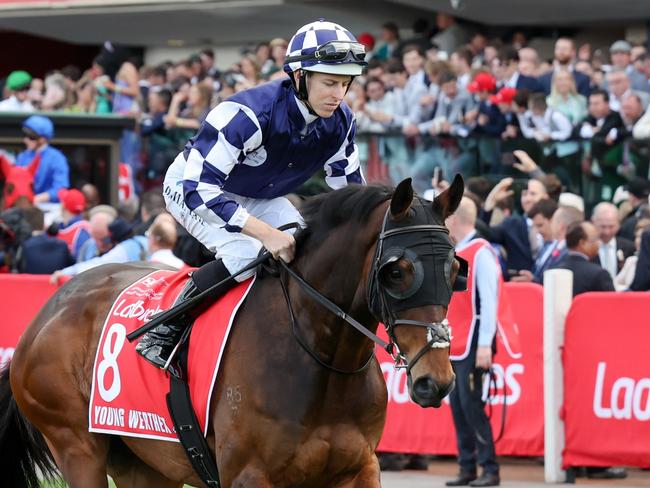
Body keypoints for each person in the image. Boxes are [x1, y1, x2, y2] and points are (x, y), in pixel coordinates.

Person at [137, 19, 367, 370]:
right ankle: (164, 329)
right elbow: (200, 190)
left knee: (301, 245)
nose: (339, 94)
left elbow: (352, 193)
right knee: (245, 252)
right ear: (299, 76)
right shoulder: (246, 114)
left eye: (346, 84)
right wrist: (264, 232)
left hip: (257, 194)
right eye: (330, 82)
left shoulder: (341, 121)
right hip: (193, 186)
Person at [445, 196, 500, 487]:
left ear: (453, 219)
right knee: (458, 405)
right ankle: (467, 466)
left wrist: (484, 346)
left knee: (472, 406)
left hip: (475, 341)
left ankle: (489, 468)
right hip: (458, 340)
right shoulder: (459, 251)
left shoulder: (481, 253)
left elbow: (490, 302)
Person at [15, 115, 70, 204]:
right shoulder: (22, 157)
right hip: (24, 206)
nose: (25, 140)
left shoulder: (57, 158)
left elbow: (61, 189)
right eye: (25, 135)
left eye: (30, 137)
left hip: (49, 209)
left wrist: (37, 198)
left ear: (42, 139)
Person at [550, 221, 615, 295]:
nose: (599, 243)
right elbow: (612, 303)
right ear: (582, 243)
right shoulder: (599, 275)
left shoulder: (553, 272)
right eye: (595, 239)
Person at [590, 202, 635, 279]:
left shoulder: (629, 247)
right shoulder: (587, 248)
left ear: (619, 224)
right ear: (593, 222)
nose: (607, 232)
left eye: (611, 227)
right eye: (603, 226)